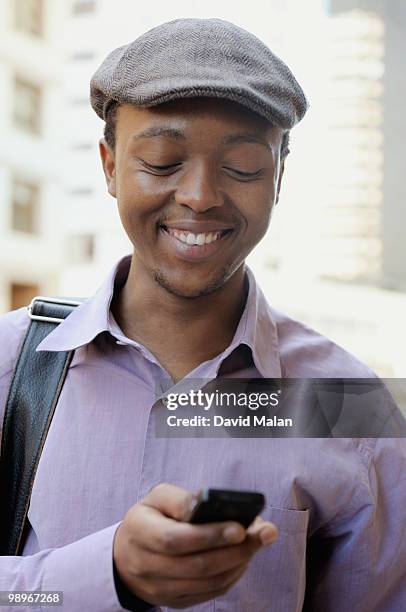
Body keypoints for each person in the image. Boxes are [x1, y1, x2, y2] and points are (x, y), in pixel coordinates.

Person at [0, 17, 405, 612]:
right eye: (163, 161)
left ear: (278, 178)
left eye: (243, 168)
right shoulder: (11, 365)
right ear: (110, 166)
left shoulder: (346, 402)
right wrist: (103, 574)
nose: (200, 195)